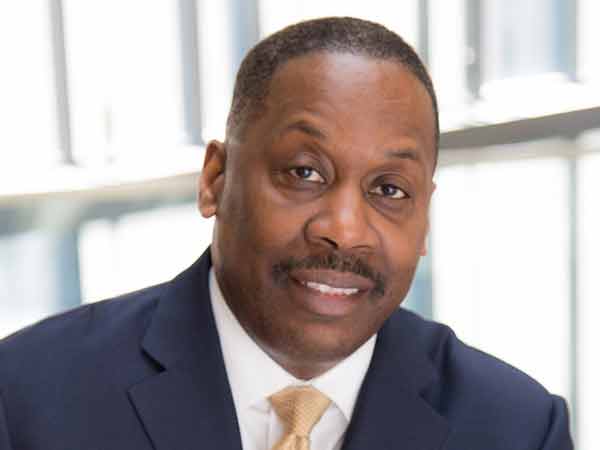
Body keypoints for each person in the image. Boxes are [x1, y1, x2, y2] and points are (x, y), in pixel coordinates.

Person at [0, 17, 572, 450]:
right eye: (304, 173)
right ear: (215, 179)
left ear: (425, 217)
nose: (344, 231)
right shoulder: (27, 399)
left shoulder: (518, 428)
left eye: (389, 189)